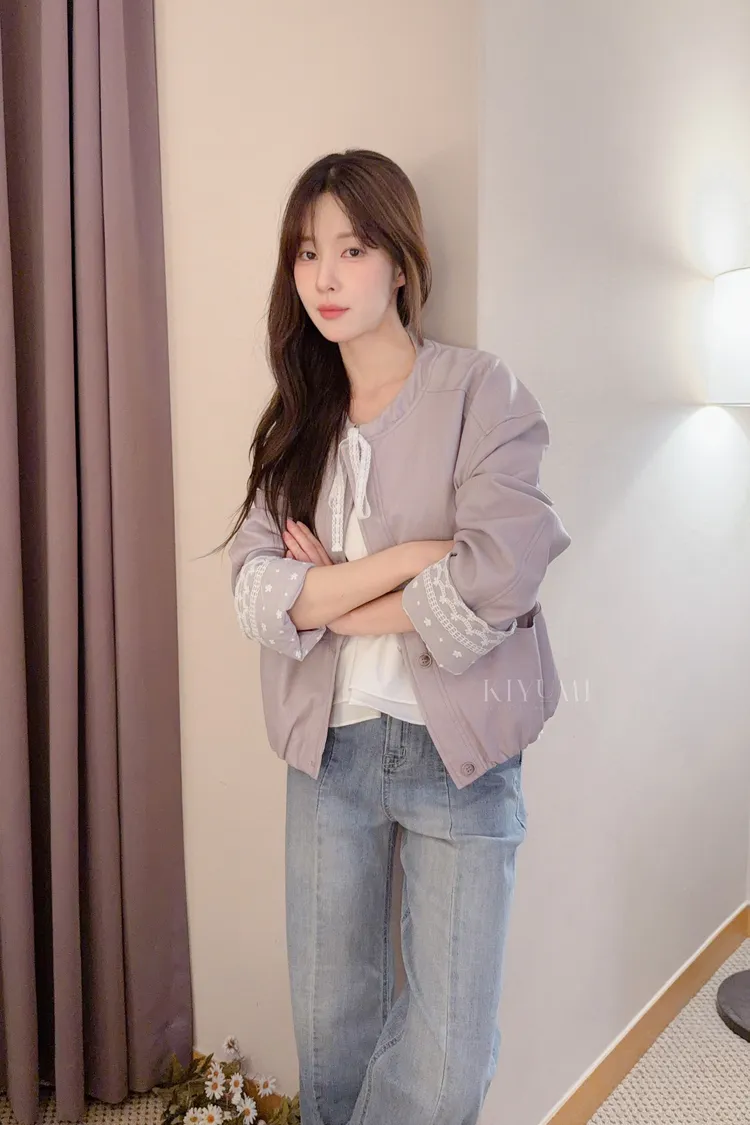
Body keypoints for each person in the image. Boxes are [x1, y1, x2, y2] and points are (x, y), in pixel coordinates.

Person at [218, 148, 571, 1125]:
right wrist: (411, 558)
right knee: (331, 1039)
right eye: (307, 253)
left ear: (402, 263)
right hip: (328, 753)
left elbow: (498, 577)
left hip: (461, 759)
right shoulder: (296, 418)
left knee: (450, 1058)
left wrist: (329, 595)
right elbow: (255, 592)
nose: (325, 277)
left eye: (352, 248)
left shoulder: (481, 392)